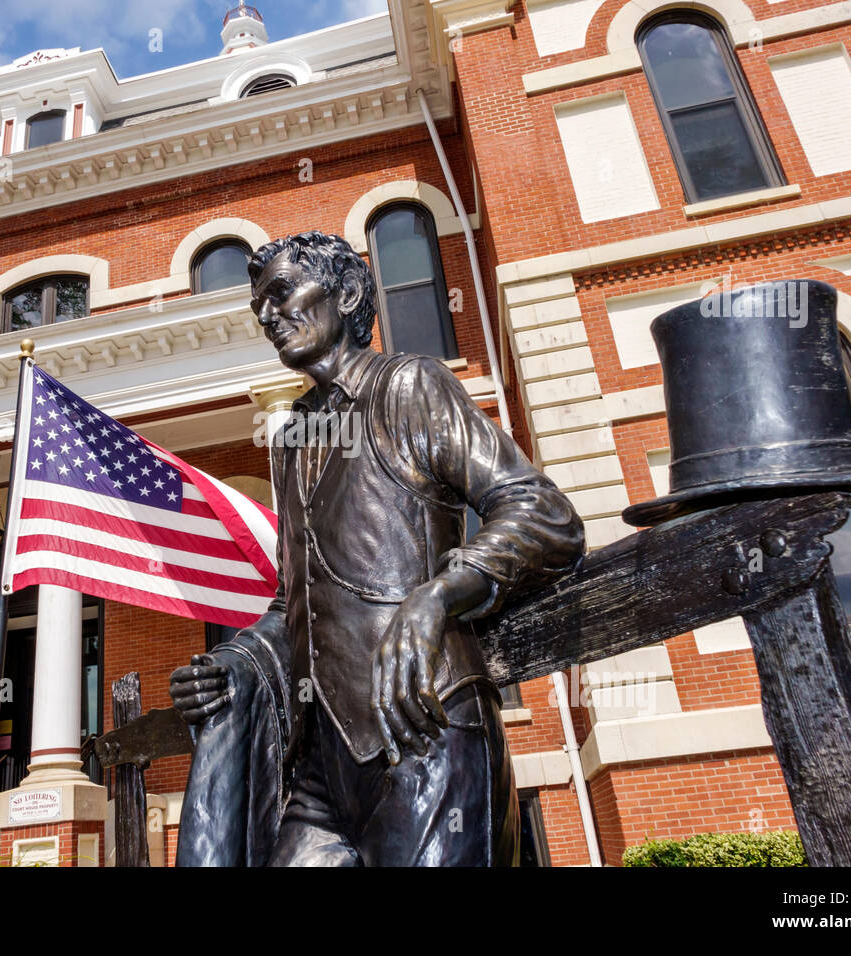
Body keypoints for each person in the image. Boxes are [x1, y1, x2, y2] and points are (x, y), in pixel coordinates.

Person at [170, 231, 584, 866]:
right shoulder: (292, 441)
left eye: (282, 293)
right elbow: (294, 603)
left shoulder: (411, 386)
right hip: (322, 767)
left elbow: (542, 513)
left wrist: (439, 595)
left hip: (425, 731)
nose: (268, 316)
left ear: (349, 291)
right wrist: (233, 665)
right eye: (259, 307)